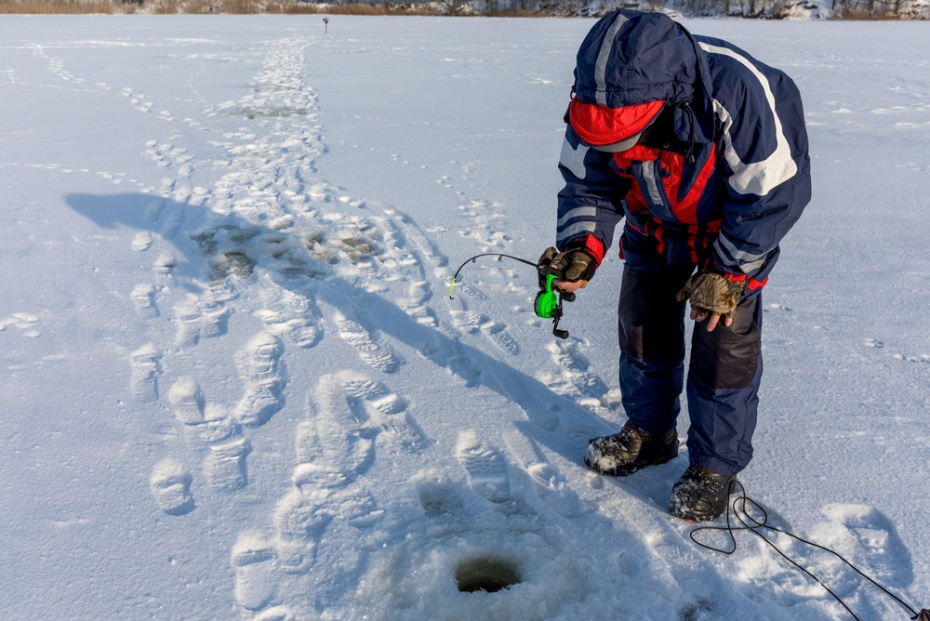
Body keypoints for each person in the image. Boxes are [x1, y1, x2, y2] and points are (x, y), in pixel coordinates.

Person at [539, 10, 811, 522]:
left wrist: (728, 272)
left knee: (722, 350)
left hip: (729, 236)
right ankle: (651, 434)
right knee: (642, 330)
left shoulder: (738, 91)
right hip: (653, 226)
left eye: (628, 136)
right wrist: (582, 244)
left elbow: (773, 194)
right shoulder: (594, 101)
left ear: (662, 101)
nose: (622, 149)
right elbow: (586, 182)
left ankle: (714, 466)